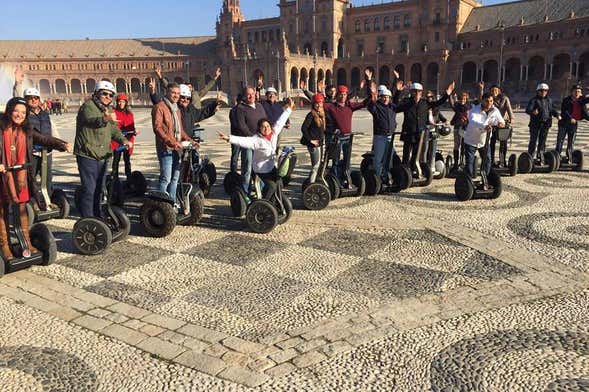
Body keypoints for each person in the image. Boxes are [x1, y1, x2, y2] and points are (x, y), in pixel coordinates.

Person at [0, 97, 71, 261]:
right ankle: (4, 245)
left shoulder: (26, 130)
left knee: (22, 208)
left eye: (23, 112)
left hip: (21, 175)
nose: (19, 115)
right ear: (10, 110)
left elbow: (42, 138)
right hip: (3, 175)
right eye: (16, 111)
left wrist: (61, 144)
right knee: (2, 210)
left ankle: (25, 241)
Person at [75, 81, 131, 218]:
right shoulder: (87, 106)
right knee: (89, 189)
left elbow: (114, 130)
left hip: (103, 155)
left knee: (100, 189)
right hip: (88, 154)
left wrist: (124, 140)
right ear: (97, 93)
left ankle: (97, 215)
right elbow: (91, 120)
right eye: (104, 94)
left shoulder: (109, 110)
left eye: (110, 95)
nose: (107, 97)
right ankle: (88, 218)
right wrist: (105, 118)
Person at [218, 99, 295, 199]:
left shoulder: (274, 133)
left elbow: (281, 121)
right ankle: (265, 203)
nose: (266, 128)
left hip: (271, 167)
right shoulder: (256, 140)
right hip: (261, 170)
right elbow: (243, 141)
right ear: (259, 129)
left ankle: (275, 200)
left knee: (280, 183)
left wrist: (289, 109)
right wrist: (229, 138)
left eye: (267, 126)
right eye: (263, 127)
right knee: (271, 186)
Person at [12, 69, 63, 195]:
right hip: (31, 152)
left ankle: (49, 199)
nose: (33, 100)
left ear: (39, 99)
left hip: (47, 152)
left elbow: (53, 129)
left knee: (47, 178)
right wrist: (18, 83)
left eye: (36, 98)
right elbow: (16, 100)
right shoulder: (24, 114)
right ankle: (30, 200)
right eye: (30, 98)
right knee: (31, 178)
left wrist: (60, 143)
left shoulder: (45, 114)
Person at [152, 83, 197, 203]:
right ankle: (160, 205)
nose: (176, 96)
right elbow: (158, 128)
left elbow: (180, 130)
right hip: (165, 148)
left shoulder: (176, 109)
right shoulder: (160, 107)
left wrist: (190, 140)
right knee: (165, 178)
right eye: (173, 93)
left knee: (175, 178)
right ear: (167, 92)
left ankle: (171, 204)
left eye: (178, 93)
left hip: (176, 148)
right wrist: (170, 142)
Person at [396, 81, 455, 171]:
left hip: (420, 134)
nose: (417, 94)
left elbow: (437, 103)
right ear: (411, 92)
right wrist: (398, 92)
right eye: (414, 91)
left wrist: (447, 94)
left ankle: (412, 171)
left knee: (416, 155)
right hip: (408, 133)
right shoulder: (406, 102)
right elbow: (395, 107)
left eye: (419, 92)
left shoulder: (425, 103)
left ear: (421, 93)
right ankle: (404, 173)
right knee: (406, 155)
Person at [366, 80, 403, 181]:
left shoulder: (392, 107)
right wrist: (372, 94)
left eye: (387, 97)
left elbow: (399, 104)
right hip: (380, 136)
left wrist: (398, 91)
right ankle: (377, 178)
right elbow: (370, 106)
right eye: (384, 97)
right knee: (378, 158)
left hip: (390, 136)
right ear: (380, 98)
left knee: (389, 158)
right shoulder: (377, 107)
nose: (386, 99)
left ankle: (387, 175)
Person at [463, 92, 505, 179]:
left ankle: (486, 179)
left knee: (488, 160)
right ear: (482, 101)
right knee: (469, 163)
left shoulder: (495, 110)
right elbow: (473, 121)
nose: (489, 103)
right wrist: (484, 126)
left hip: (484, 141)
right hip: (471, 140)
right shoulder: (474, 110)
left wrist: (500, 123)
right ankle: (468, 181)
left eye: (491, 101)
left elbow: (501, 121)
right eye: (487, 101)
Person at [234, 86, 268, 193]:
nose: (251, 96)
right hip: (249, 142)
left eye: (252, 94)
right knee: (247, 168)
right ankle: (245, 191)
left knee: (260, 167)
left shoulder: (259, 106)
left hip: (260, 142)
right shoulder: (240, 108)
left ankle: (261, 190)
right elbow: (241, 126)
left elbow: (265, 121)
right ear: (244, 96)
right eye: (248, 94)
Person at [525, 83, 561, 161]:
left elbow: (552, 110)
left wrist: (557, 115)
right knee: (533, 141)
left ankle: (540, 156)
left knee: (542, 141)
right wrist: (533, 111)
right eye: (541, 91)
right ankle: (530, 157)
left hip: (546, 124)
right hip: (535, 124)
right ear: (538, 91)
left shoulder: (549, 100)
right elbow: (528, 109)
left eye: (545, 91)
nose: (543, 92)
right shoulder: (534, 100)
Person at [556, 85, 589, 157]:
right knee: (560, 140)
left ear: (581, 93)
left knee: (571, 141)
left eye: (579, 92)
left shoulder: (582, 100)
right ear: (572, 92)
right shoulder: (566, 100)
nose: (577, 93)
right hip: (564, 123)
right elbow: (564, 111)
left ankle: (569, 156)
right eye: (575, 91)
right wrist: (570, 118)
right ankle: (557, 156)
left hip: (573, 124)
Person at [300, 94, 327, 183]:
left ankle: (315, 181)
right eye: (316, 103)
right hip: (313, 145)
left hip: (320, 143)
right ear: (313, 104)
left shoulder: (322, 114)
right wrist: (310, 140)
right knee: (316, 165)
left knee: (319, 164)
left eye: (320, 103)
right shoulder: (311, 115)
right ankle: (311, 184)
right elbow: (304, 128)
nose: (319, 105)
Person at [111, 93, 137, 178]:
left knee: (127, 160)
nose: (121, 103)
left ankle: (129, 177)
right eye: (119, 101)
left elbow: (132, 127)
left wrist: (134, 132)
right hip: (117, 141)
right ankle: (114, 178)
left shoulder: (129, 114)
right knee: (116, 160)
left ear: (126, 103)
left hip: (127, 140)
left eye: (123, 102)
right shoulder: (113, 113)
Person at [449, 91, 472, 171]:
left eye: (464, 99)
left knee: (464, 146)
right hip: (457, 127)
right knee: (456, 145)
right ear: (458, 99)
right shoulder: (457, 106)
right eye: (461, 99)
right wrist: (450, 95)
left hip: (465, 128)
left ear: (466, 99)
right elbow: (452, 104)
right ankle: (456, 163)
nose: (462, 100)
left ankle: (462, 162)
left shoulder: (469, 107)